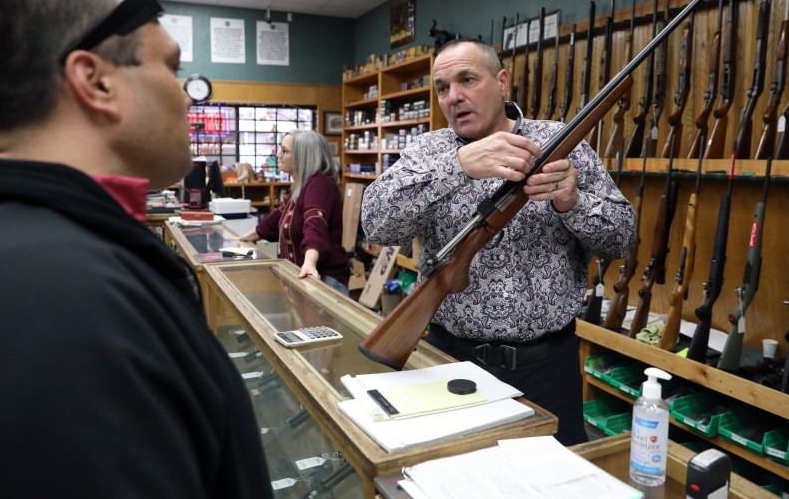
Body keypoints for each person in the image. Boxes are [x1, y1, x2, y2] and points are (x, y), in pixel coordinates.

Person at [0, 0, 273, 497]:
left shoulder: (53, 255)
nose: (188, 97)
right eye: (170, 68)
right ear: (96, 81)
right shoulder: (59, 296)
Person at [361, 38, 636, 446]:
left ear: (502, 82)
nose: (453, 97)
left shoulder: (559, 142)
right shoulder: (429, 149)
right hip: (447, 363)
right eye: (442, 87)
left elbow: (623, 239)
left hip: (546, 368)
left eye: (467, 80)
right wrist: (455, 168)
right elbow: (376, 226)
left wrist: (573, 203)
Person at [240, 130, 350, 295]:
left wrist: (310, 262)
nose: (278, 154)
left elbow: (315, 223)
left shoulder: (319, 185)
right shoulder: (301, 185)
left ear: (303, 156)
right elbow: (277, 218)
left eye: (284, 151)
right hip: (305, 279)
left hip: (322, 280)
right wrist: (247, 237)